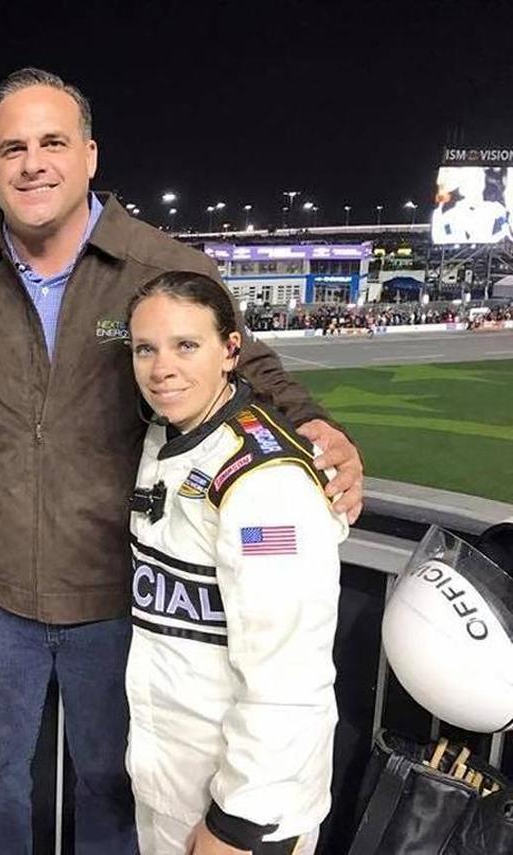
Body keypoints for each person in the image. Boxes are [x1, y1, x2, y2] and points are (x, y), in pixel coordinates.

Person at [0, 67, 363, 853]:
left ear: (90, 154)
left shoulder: (160, 265)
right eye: (11, 148)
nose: (32, 163)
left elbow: (246, 365)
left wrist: (319, 427)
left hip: (113, 582)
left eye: (53, 141)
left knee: (114, 779)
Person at [124, 271, 345, 855]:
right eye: (146, 348)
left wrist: (240, 821)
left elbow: (290, 671)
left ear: (231, 351)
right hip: (176, 784)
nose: (162, 367)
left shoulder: (266, 483)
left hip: (246, 812)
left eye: (186, 345)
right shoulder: (169, 434)